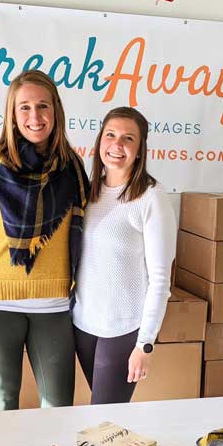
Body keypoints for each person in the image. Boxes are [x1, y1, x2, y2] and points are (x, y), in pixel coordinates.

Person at [0, 70, 89, 411]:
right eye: (24, 107)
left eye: (43, 106)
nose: (34, 116)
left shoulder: (73, 168)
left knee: (58, 406)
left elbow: (91, 233)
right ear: (12, 115)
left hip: (55, 306)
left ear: (56, 111)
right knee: (3, 404)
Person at [72, 106, 176, 404]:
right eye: (111, 135)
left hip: (123, 329)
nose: (117, 145)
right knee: (105, 416)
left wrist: (145, 344)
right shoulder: (87, 192)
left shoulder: (150, 197)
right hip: (83, 324)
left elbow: (160, 280)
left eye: (128, 138)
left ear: (140, 150)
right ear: (99, 141)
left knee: (103, 416)